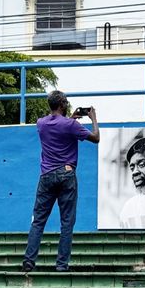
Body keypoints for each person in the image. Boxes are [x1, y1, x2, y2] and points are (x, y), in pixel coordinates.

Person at [22, 90, 99, 272]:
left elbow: (58, 126)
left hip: (46, 176)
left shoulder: (40, 124)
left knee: (38, 221)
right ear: (63, 104)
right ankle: (61, 265)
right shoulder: (71, 125)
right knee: (66, 222)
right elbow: (96, 138)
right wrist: (93, 118)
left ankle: (29, 262)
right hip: (66, 174)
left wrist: (71, 118)